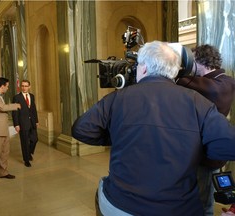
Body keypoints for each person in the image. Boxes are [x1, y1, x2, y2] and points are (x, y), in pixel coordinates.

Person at [71, 41, 235, 216]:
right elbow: (229, 145)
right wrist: (194, 143)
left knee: (102, 191)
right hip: (179, 209)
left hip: (121, 205)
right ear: (174, 71)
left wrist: (118, 134)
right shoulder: (198, 102)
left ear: (143, 69)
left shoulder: (118, 98)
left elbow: (81, 129)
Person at [177, 44, 235, 216]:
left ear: (200, 61)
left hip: (208, 155)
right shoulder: (217, 81)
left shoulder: (224, 82)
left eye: (191, 62)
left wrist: (175, 74)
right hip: (199, 152)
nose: (189, 67)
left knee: (204, 203)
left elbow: (208, 88)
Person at [0, 77, 21, 179]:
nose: (7, 88)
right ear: (2, 86)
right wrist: (16, 105)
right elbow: (2, 107)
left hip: (4, 128)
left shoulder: (0, 95)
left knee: (5, 152)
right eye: (7, 86)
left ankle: (3, 172)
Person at [12, 80, 39, 167]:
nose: (24, 87)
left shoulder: (32, 96)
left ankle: (29, 152)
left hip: (32, 122)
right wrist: (16, 124)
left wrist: (36, 121)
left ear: (29, 86)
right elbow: (14, 112)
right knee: (24, 142)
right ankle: (26, 159)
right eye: (22, 86)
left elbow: (33, 109)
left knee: (34, 139)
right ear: (21, 87)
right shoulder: (17, 97)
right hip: (22, 123)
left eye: (26, 86)